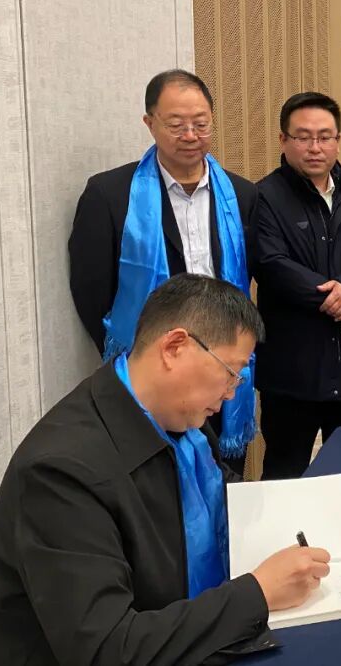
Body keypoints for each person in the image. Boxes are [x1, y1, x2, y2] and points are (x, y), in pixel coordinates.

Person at [0, 274, 341, 665]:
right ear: (174, 348)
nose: (230, 394)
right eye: (230, 373)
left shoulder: (175, 420)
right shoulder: (61, 472)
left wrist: (326, 512)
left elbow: (225, 493)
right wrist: (258, 593)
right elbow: (107, 649)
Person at [68, 69, 258, 465]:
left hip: (221, 368)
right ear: (149, 123)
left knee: (221, 471)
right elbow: (91, 289)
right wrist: (137, 348)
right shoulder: (110, 195)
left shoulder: (242, 195)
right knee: (156, 472)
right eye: (176, 125)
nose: (190, 135)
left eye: (200, 124)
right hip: (152, 371)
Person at [252, 92, 341, 479]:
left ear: (337, 140)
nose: (315, 147)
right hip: (294, 368)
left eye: (325, 136)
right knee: (285, 473)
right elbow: (272, 265)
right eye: (303, 136)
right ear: (283, 140)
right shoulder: (264, 197)